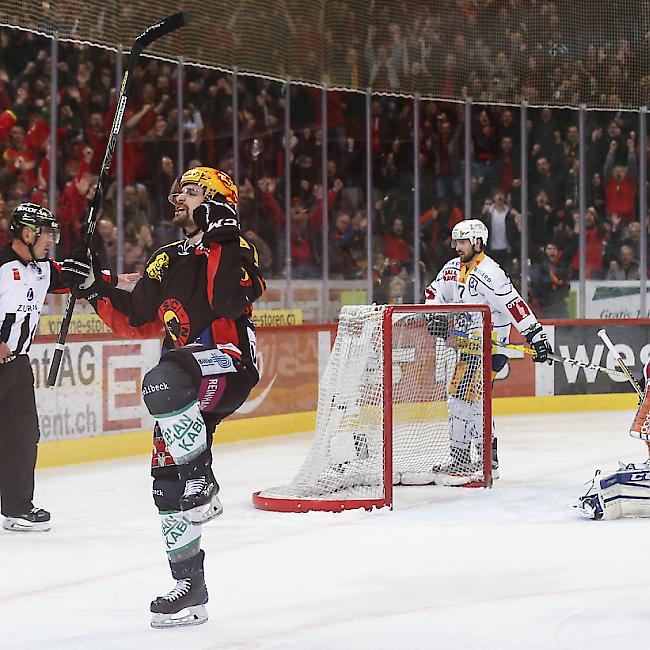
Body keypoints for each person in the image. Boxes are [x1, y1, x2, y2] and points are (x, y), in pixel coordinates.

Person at [78, 167, 265, 628]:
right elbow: (138, 316)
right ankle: (190, 588)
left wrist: (221, 235)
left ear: (217, 199)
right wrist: (93, 287)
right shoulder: (165, 257)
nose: (177, 195)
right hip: (181, 380)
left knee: (162, 380)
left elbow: (226, 302)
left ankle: (204, 482)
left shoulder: (236, 246)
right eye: (178, 188)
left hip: (226, 362)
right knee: (165, 481)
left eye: (191, 190)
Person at [423, 219, 552, 480]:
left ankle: (469, 459)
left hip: (489, 349)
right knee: (473, 400)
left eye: (462, 241)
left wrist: (535, 335)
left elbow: (514, 304)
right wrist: (433, 315)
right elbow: (434, 291)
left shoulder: (490, 273)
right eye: (456, 241)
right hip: (468, 347)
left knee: (461, 399)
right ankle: (485, 458)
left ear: (477, 242)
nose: (457, 246)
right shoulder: (452, 269)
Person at [0, 202, 89, 532]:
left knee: (23, 437)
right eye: (46, 234)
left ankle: (18, 508)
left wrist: (107, 275)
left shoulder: (42, 269)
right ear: (26, 233)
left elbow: (78, 277)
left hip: (18, 368)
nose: (51, 240)